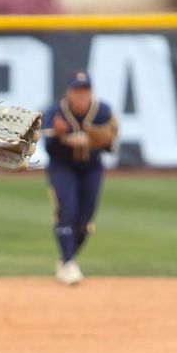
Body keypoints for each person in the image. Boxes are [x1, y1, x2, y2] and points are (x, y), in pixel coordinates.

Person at [42, 71, 118, 285]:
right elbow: (48, 147)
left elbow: (111, 144)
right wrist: (59, 137)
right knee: (67, 211)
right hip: (62, 167)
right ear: (69, 92)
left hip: (91, 168)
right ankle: (68, 263)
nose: (81, 95)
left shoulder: (102, 111)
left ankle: (67, 258)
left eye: (85, 90)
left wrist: (98, 139)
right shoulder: (55, 112)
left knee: (85, 221)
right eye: (77, 90)